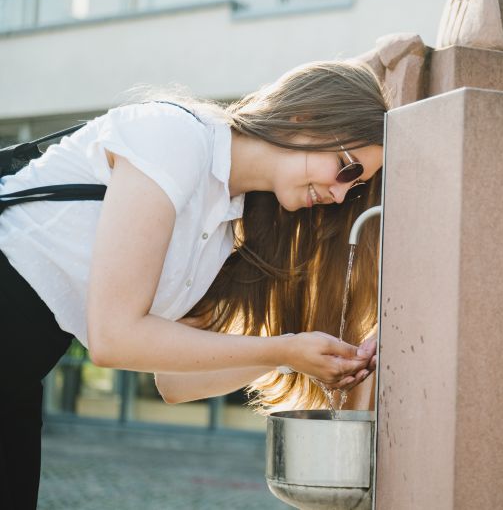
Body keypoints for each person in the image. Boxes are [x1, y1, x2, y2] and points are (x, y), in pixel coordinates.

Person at [0, 61, 388, 508]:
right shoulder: (176, 137)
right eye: (346, 169)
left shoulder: (229, 226)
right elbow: (113, 337)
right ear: (307, 118)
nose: (339, 195)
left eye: (355, 188)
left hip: (21, 373)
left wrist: (295, 356)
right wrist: (283, 348)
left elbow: (175, 383)